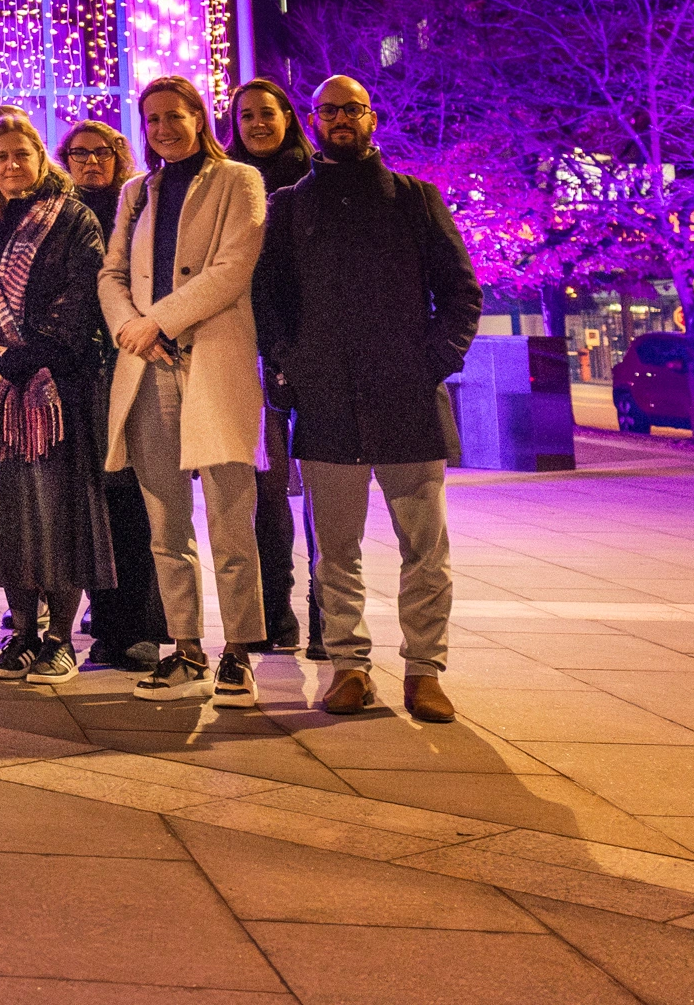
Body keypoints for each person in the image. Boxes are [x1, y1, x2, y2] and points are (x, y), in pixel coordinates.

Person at [254, 75, 481, 724]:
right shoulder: (293, 207)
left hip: (407, 402)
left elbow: (462, 293)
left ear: (371, 118)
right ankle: (350, 667)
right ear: (316, 121)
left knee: (425, 546)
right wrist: (291, 369)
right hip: (326, 405)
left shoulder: (415, 200)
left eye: (351, 109)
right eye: (329, 111)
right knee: (334, 550)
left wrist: (432, 363)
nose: (340, 119)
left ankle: (424, 671)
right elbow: (268, 300)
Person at [100, 75, 270, 706]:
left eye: (175, 115)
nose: (164, 128)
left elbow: (232, 268)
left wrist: (158, 320)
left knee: (231, 520)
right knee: (165, 525)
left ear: (200, 117)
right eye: (152, 120)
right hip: (147, 368)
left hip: (214, 362)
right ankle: (186, 649)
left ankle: (239, 653)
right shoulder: (136, 192)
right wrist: (128, 327)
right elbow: (113, 271)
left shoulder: (238, 181)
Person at [0, 115, 115, 688]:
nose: (12, 165)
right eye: (0, 157)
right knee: (7, 517)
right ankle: (25, 634)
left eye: (22, 154)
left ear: (41, 158)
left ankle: (60, 639)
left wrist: (30, 353)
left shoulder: (73, 218)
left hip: (51, 388)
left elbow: (83, 291)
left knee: (57, 513)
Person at [61, 119, 161, 671]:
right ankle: (109, 621)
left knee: (137, 501)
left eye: (102, 152)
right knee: (97, 499)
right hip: (80, 373)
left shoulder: (140, 204)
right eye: (80, 153)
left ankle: (143, 625)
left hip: (135, 358)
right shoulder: (58, 212)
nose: (91, 162)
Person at [224, 78, 313, 653]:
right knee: (265, 489)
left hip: (311, 349)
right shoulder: (228, 182)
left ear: (286, 116)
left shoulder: (313, 176)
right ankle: (273, 609)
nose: (256, 123)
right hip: (249, 350)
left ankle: (324, 612)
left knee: (328, 492)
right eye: (245, 115)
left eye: (266, 113)